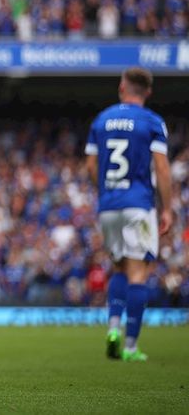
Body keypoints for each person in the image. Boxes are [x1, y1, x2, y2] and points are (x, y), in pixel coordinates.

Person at [85, 67, 172, 362]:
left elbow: (89, 165)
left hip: (108, 204)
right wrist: (167, 209)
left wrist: (105, 192)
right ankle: (131, 345)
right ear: (147, 91)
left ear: (122, 87)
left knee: (120, 267)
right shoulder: (152, 122)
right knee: (139, 271)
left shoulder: (102, 119)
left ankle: (112, 328)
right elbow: (161, 168)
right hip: (138, 203)